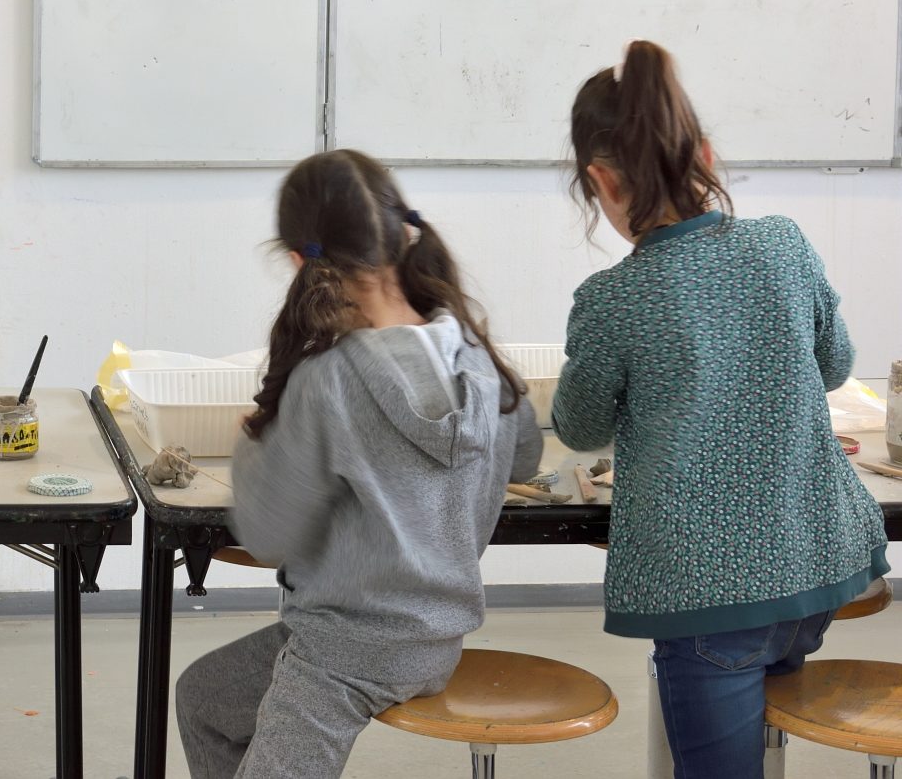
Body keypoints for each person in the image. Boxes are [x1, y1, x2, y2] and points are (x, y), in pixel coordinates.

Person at [553, 40, 888, 776]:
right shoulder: (783, 245)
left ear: (599, 180)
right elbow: (835, 365)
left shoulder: (613, 299)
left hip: (708, 594)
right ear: (704, 151)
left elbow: (579, 429)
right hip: (818, 572)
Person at [175, 149, 542, 778]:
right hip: (436, 640)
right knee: (206, 698)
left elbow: (267, 534)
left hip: (342, 653)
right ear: (402, 236)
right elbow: (526, 456)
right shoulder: (478, 358)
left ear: (300, 264)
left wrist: (256, 439)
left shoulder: (329, 380)